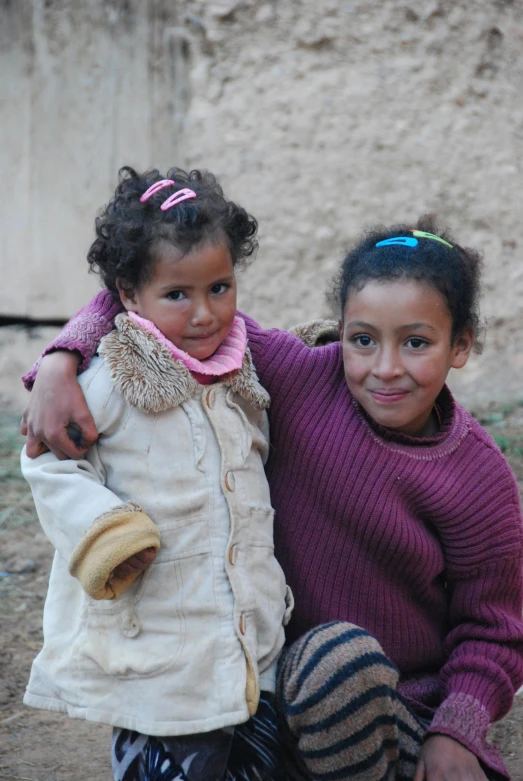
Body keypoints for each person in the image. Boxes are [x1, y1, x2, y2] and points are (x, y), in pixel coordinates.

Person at [22, 218, 523, 781]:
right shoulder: (300, 377)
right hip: (265, 695)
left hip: (395, 711)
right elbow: (150, 294)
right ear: (341, 330)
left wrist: (456, 728)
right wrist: (61, 361)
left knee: (337, 663)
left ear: (460, 345)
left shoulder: (479, 479)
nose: (385, 368)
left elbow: (495, 628)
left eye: (416, 342)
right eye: (363, 339)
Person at [20, 166, 294, 781]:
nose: (204, 314)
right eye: (178, 295)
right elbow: (47, 464)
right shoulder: (112, 377)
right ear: (128, 293)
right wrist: (106, 531)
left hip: (247, 642)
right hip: (157, 650)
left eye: (220, 287)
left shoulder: (243, 372)